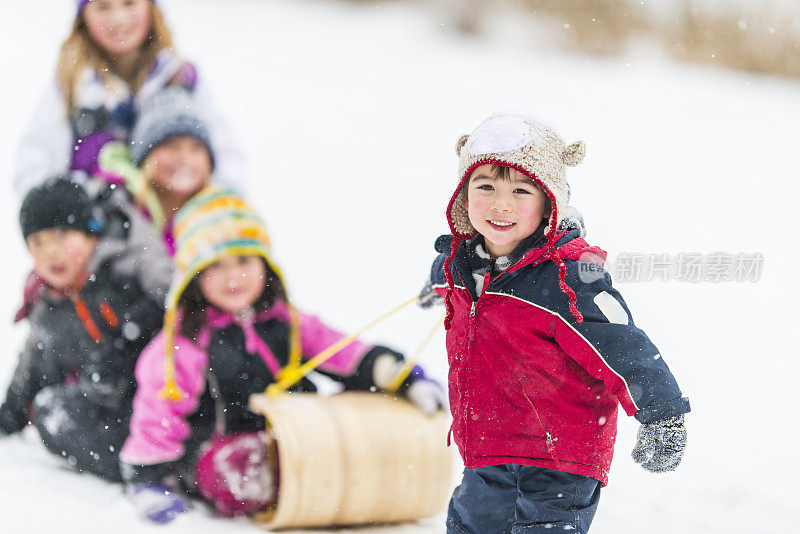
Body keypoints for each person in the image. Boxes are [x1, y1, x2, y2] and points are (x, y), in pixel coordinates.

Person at [422, 114, 691, 534]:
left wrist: (662, 415)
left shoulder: (568, 278)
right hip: (489, 453)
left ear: (549, 201)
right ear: (463, 196)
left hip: (559, 459)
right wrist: (435, 284)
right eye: (486, 186)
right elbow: (447, 269)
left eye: (522, 190)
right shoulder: (461, 264)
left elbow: (624, 344)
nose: (501, 204)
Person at [120, 185, 445, 523]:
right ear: (194, 276)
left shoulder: (287, 322)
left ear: (265, 264)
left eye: (244, 260)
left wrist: (402, 378)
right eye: (216, 265)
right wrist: (150, 478)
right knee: (239, 467)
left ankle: (347, 476)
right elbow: (159, 413)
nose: (234, 277)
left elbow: (342, 352)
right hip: (221, 450)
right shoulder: (184, 344)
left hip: (296, 437)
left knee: (356, 421)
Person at [0, 178, 165, 482]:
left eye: (62, 235)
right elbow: (32, 370)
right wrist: (9, 415)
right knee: (51, 411)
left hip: (161, 398)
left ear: (91, 232)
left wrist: (126, 344)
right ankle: (139, 465)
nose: (51, 252)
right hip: (116, 413)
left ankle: (167, 457)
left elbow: (168, 307)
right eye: (38, 243)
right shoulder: (48, 309)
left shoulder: (122, 274)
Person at [12, 0, 244, 199]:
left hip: (178, 233)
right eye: (103, 6)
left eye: (129, 3)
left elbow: (225, 155)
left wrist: (223, 209)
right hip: (101, 236)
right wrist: (65, 212)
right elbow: (35, 164)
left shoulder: (181, 78)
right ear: (83, 17)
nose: (119, 18)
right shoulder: (70, 84)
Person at [98, 87, 219, 255]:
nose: (184, 158)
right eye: (171, 146)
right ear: (146, 158)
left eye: (196, 148)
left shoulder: (222, 218)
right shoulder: (117, 209)